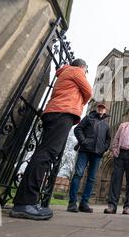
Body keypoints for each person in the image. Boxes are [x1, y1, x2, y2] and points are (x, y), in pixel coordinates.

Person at [9, 58, 92, 220]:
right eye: (86, 70)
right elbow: (88, 91)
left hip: (54, 111)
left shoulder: (65, 73)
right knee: (46, 155)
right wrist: (81, 101)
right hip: (63, 112)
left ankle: (26, 201)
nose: (86, 73)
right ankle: (25, 203)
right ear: (82, 66)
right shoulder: (76, 71)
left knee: (44, 154)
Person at [67, 103, 111, 213]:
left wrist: (104, 149)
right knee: (78, 174)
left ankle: (84, 203)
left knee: (91, 178)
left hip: (97, 153)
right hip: (85, 150)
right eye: (99, 107)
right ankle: (72, 203)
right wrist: (83, 141)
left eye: (103, 108)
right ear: (97, 109)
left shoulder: (106, 125)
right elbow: (78, 129)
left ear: (105, 111)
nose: (101, 109)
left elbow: (108, 139)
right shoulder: (88, 118)